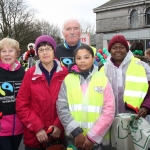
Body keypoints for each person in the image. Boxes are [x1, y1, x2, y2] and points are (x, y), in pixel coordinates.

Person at [57, 45, 115, 150]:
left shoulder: (102, 79)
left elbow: (109, 110)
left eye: (86, 57)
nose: (82, 61)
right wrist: (75, 132)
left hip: (98, 142)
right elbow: (61, 107)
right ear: (75, 60)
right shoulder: (68, 79)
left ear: (93, 59)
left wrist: (92, 137)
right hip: (74, 139)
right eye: (79, 58)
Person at [16, 35, 68, 150]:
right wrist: (37, 128)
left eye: (48, 48)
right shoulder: (30, 74)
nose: (45, 52)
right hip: (34, 138)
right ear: (37, 53)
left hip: (58, 136)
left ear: (54, 51)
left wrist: (59, 125)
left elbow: (70, 102)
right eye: (41, 50)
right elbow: (21, 105)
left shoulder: (65, 73)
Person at [101, 35, 150, 119]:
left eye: (122, 47)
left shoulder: (142, 66)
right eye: (114, 48)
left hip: (135, 117)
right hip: (109, 119)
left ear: (127, 50)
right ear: (110, 50)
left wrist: (146, 106)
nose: (118, 50)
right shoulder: (103, 69)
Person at [0, 38, 25, 150]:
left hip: (19, 126)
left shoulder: (23, 72)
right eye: (3, 51)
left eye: (11, 50)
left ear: (17, 53)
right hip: (1, 127)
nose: (7, 54)